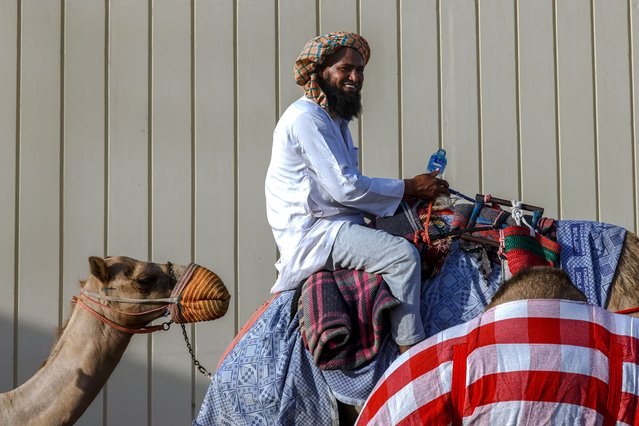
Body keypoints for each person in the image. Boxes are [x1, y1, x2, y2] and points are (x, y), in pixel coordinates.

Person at [265, 32, 449, 353]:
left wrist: (410, 195)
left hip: (335, 223)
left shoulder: (333, 119)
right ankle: (410, 353)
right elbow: (346, 188)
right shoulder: (308, 119)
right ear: (321, 70)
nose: (355, 77)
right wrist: (410, 187)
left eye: (360, 70)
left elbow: (344, 188)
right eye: (345, 69)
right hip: (316, 234)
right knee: (403, 257)